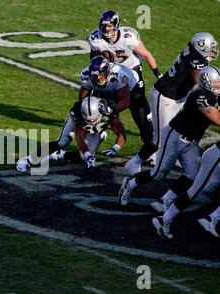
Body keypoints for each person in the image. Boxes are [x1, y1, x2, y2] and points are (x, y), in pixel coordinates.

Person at [118, 66, 220, 210]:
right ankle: (130, 184)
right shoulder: (201, 94)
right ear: (206, 81)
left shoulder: (211, 91)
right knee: (159, 173)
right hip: (175, 136)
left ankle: (165, 200)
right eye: (216, 83)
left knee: (192, 175)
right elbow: (216, 117)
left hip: (191, 141)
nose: (218, 85)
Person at [89, 10, 161, 172]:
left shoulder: (128, 37)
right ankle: (97, 135)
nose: (107, 30)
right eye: (104, 26)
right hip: (111, 75)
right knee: (97, 106)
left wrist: (158, 74)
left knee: (140, 115)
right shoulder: (96, 39)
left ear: (116, 25)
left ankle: (151, 151)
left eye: (110, 26)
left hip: (132, 76)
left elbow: (147, 55)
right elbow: (94, 62)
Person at [148, 32, 218, 167]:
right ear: (201, 46)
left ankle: (176, 157)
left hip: (179, 96)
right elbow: (199, 82)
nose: (213, 51)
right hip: (164, 96)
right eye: (211, 48)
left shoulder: (193, 51)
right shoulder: (195, 58)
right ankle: (146, 158)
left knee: (176, 129)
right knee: (161, 135)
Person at [79, 56, 156, 172]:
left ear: (107, 72)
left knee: (141, 120)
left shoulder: (118, 76)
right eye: (94, 75)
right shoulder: (86, 76)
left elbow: (125, 101)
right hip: (109, 88)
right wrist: (83, 107)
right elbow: (83, 94)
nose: (98, 78)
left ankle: (152, 152)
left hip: (132, 87)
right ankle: (98, 134)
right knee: (94, 110)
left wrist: (111, 111)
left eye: (100, 74)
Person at [16, 95, 126, 172]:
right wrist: (88, 155)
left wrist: (115, 148)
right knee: (62, 142)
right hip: (79, 123)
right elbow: (79, 138)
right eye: (88, 119)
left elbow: (121, 132)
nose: (91, 121)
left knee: (84, 158)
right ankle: (29, 159)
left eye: (92, 119)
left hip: (97, 127)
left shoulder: (109, 111)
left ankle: (60, 154)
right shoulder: (78, 113)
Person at [152, 142, 219, 239]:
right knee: (195, 192)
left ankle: (212, 218)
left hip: (216, 158)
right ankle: (164, 220)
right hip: (216, 159)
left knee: (197, 192)